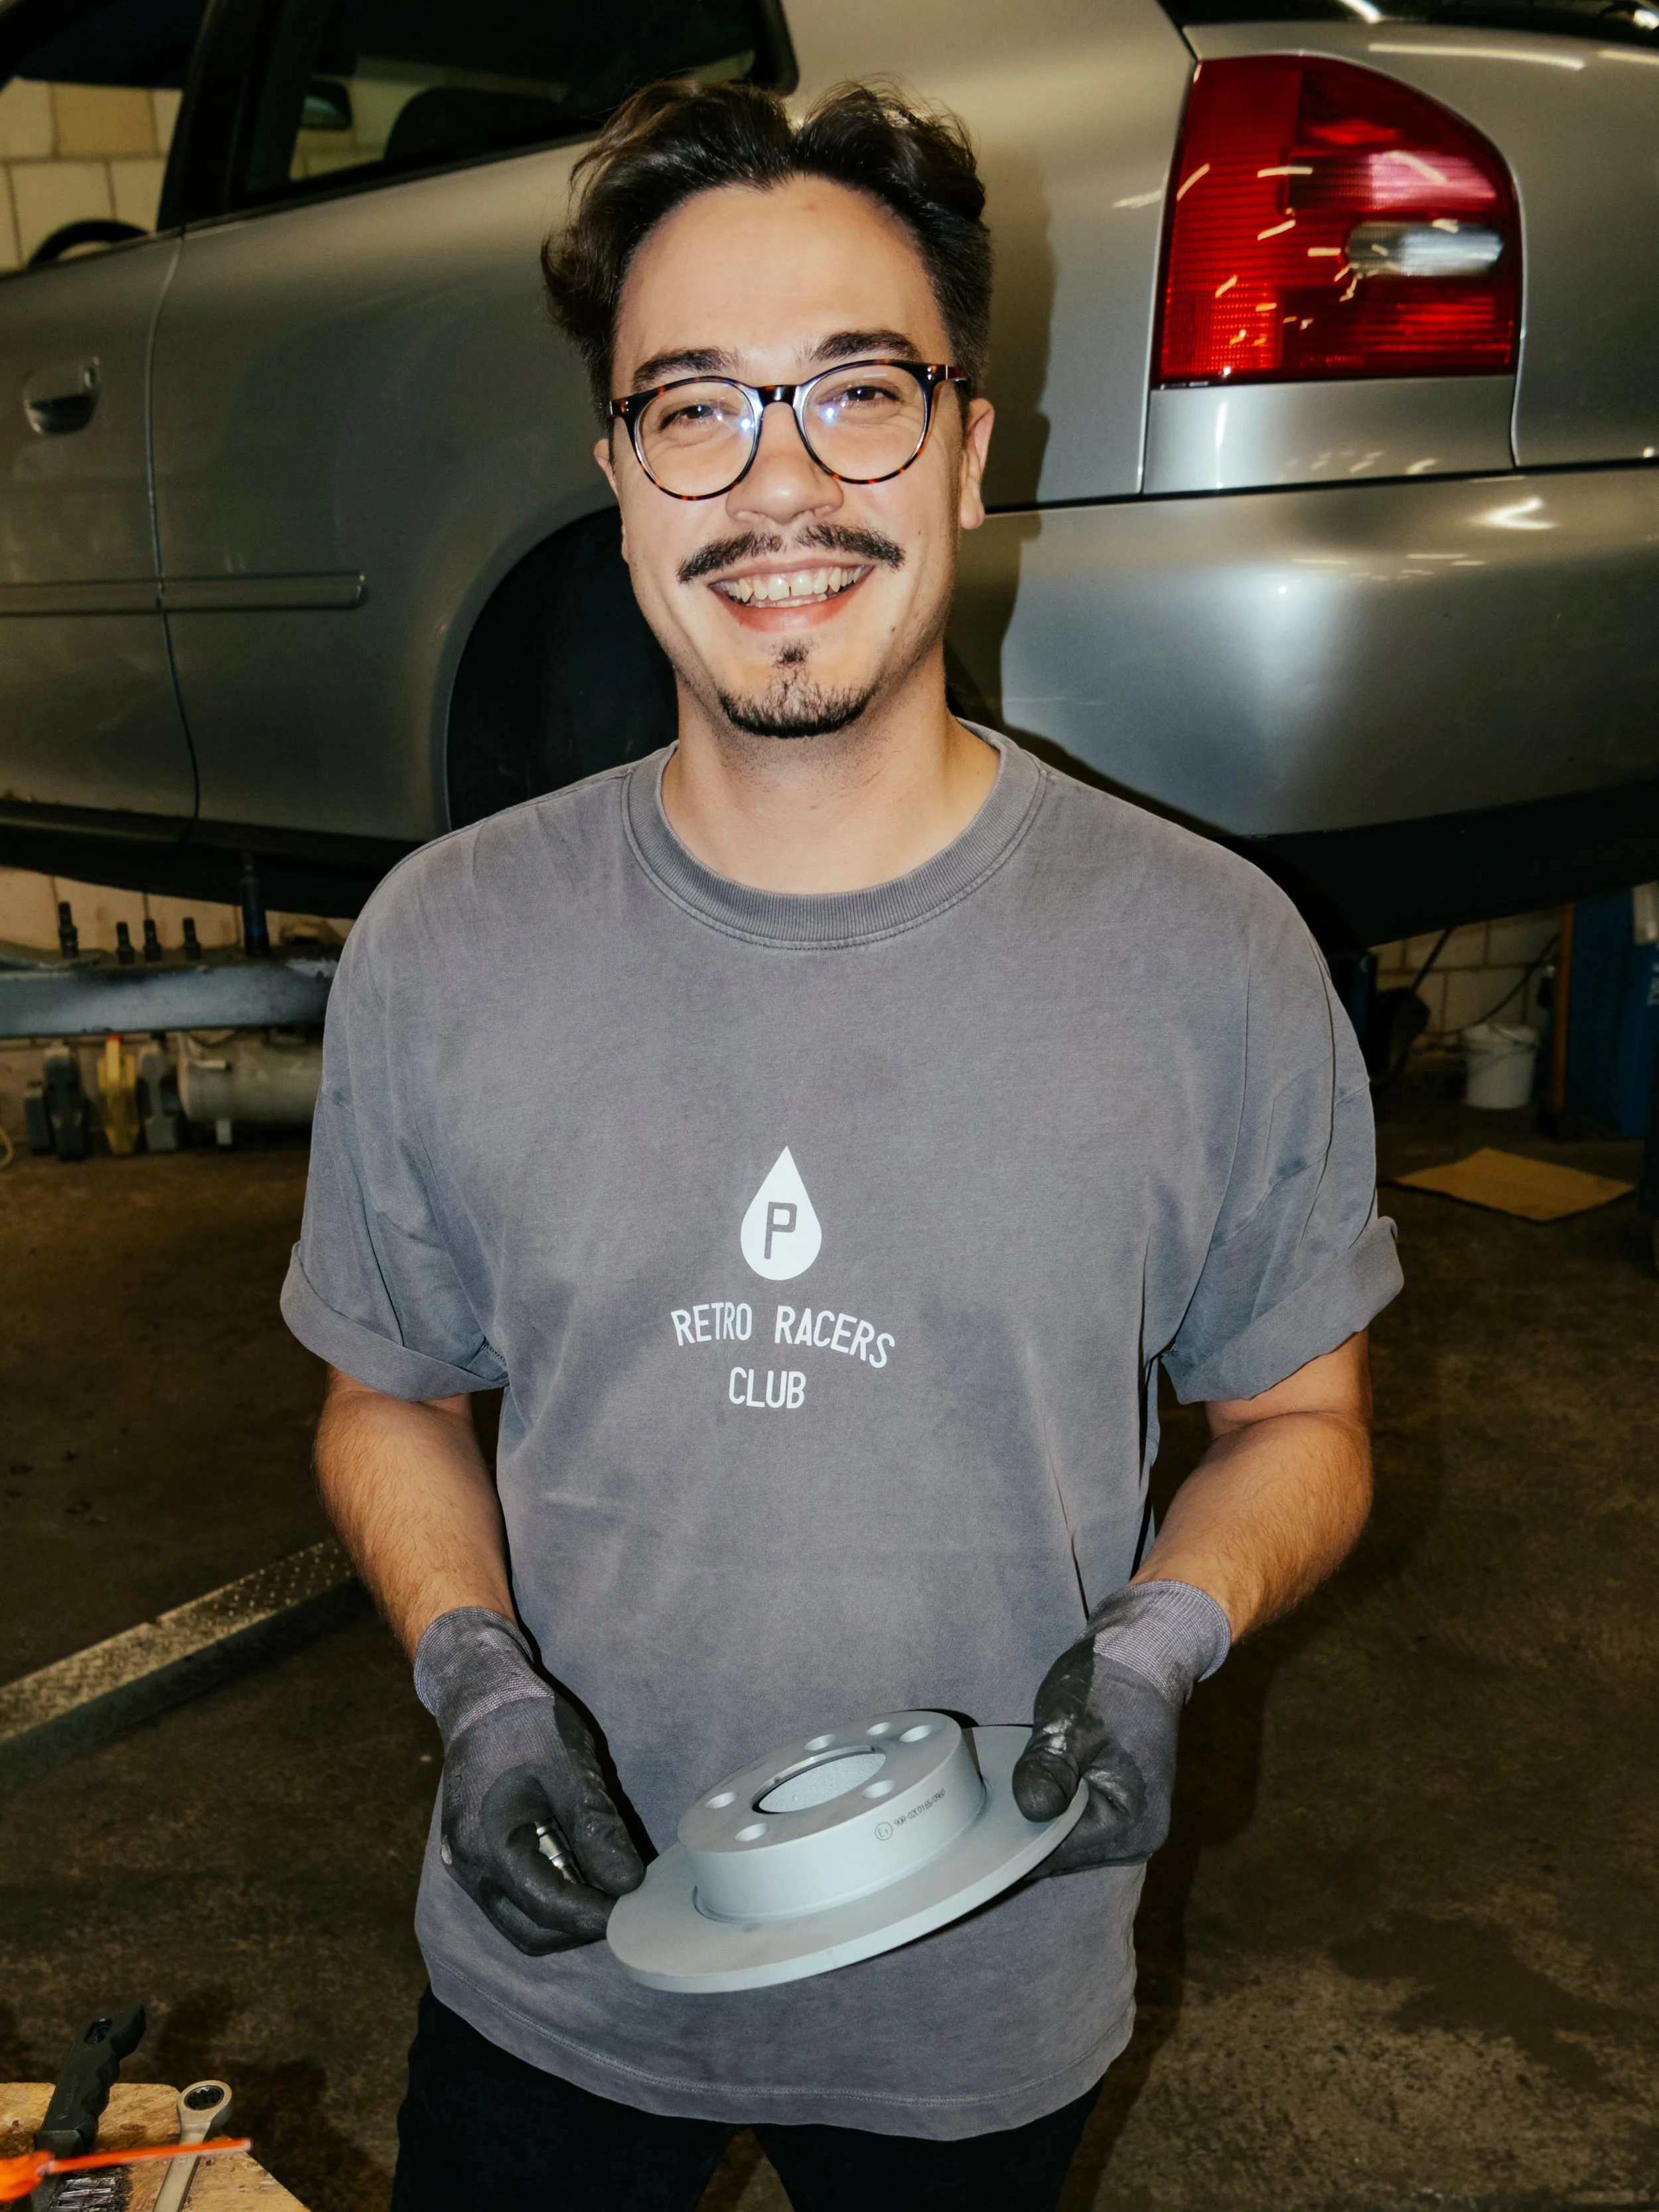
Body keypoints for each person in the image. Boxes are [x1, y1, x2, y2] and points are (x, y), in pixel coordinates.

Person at [281, 78, 1402, 2212]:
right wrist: (476, 1679)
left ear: (972, 449)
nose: (776, 487)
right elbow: (385, 1394)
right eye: (694, 411)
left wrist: (1168, 1631)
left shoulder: (1206, 957)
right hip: (555, 1974)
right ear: (614, 479)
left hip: (979, 1997)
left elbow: (1300, 1411)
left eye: (855, 398)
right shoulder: (445, 946)